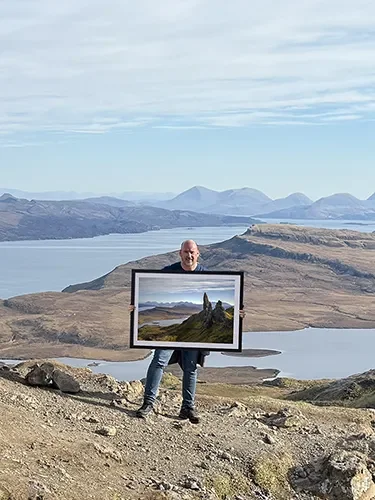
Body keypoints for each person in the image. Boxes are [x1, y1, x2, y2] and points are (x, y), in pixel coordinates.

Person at [134, 239, 245, 424]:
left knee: (190, 367)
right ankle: (148, 403)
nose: (189, 255)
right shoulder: (168, 272)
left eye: (192, 252)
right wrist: (134, 307)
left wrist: (238, 315)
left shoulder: (206, 275)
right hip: (172, 337)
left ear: (198, 254)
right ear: (180, 253)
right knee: (158, 361)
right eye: (186, 252)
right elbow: (141, 290)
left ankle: (187, 408)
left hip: (193, 338)